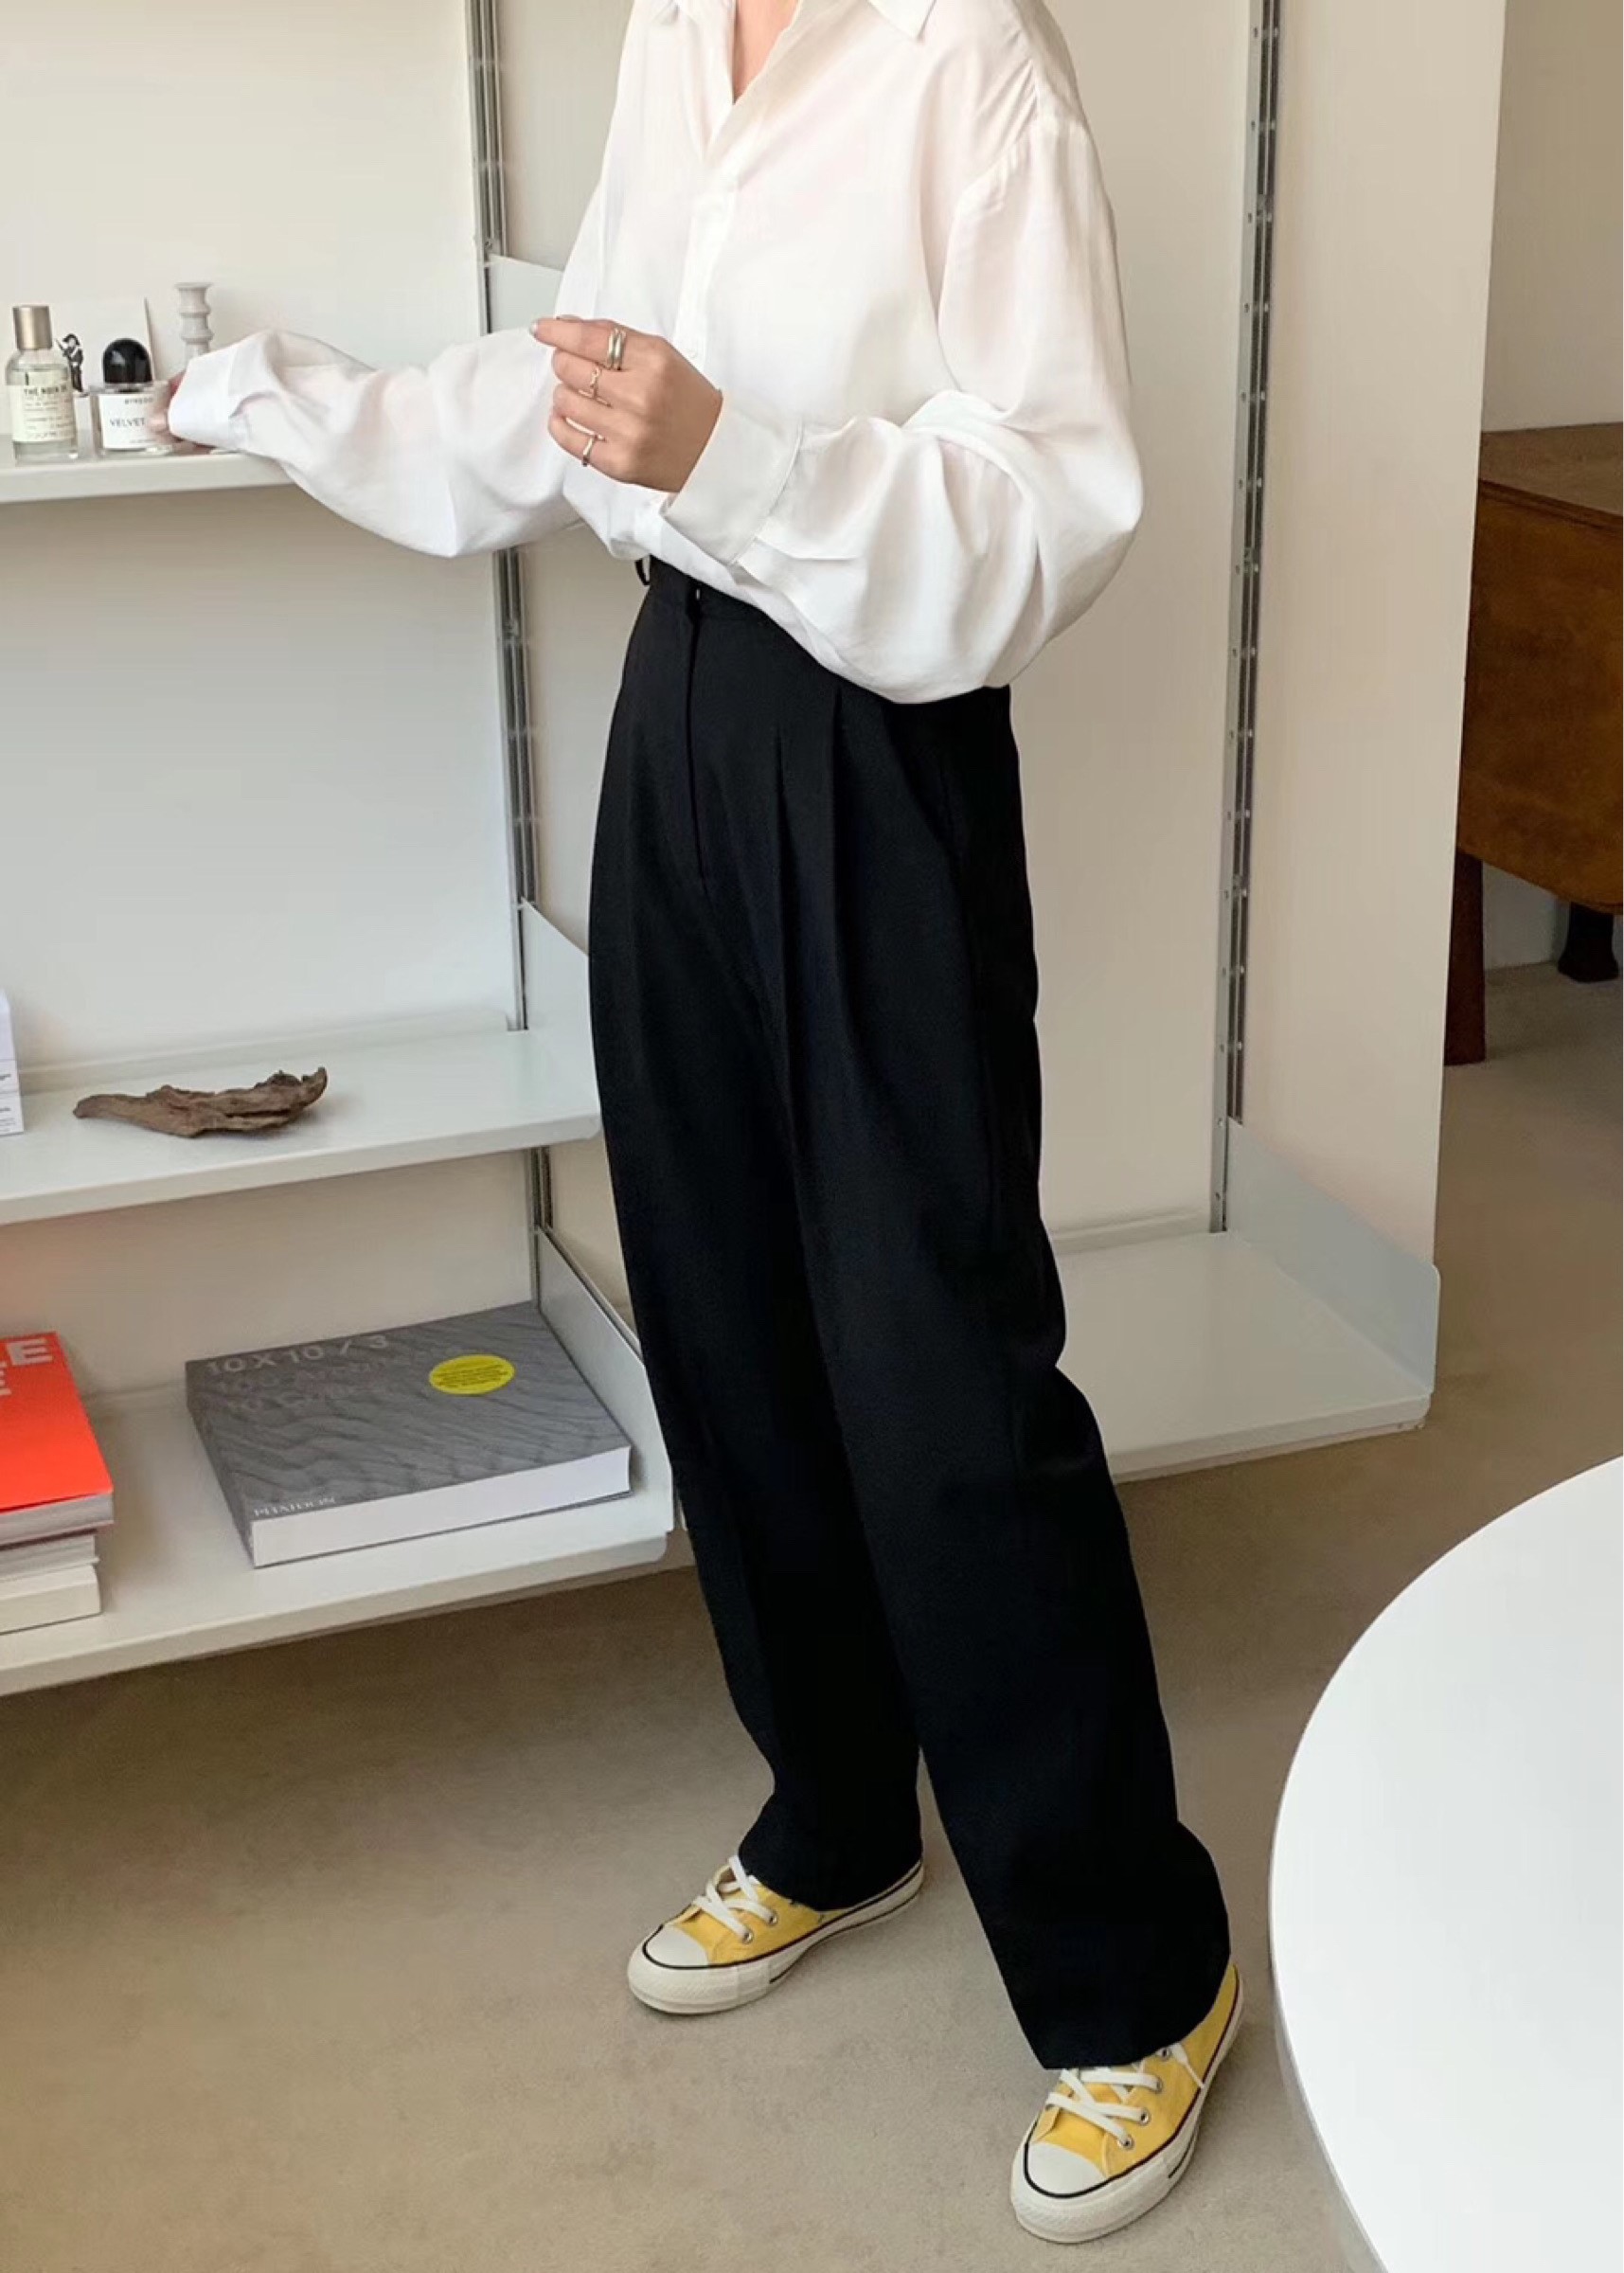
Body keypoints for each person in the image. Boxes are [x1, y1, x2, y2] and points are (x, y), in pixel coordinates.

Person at [170, 0, 1237, 2242]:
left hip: (878, 747)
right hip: (682, 716)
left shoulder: (971, 59)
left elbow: (1057, 505)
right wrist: (262, 393)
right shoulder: (677, 28)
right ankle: (838, 1816)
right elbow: (576, 394)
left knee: (941, 1381)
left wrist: (738, 458)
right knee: (729, 1330)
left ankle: (1140, 1977)